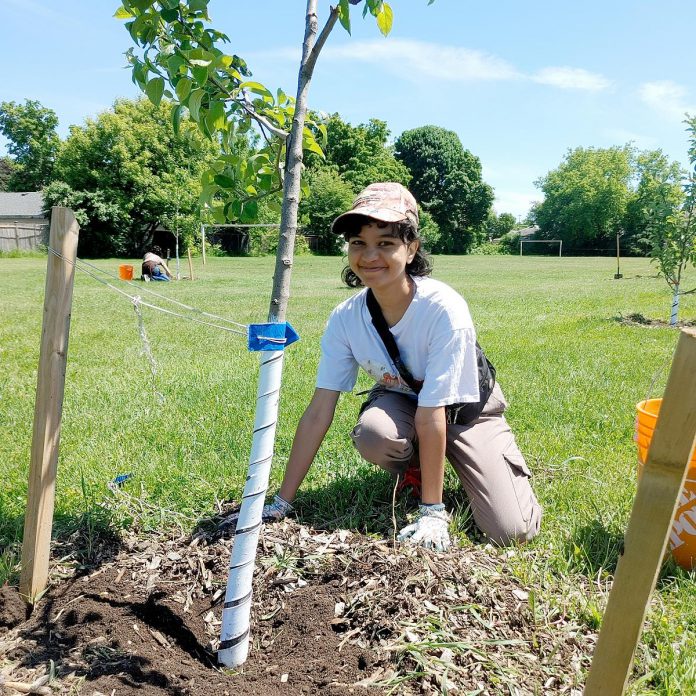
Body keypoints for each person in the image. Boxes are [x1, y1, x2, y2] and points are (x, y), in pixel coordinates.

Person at [261, 182, 542, 552]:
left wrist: (432, 512)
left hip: (469, 411)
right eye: (358, 243)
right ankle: (422, 469)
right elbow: (319, 411)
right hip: (406, 403)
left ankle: (460, 468)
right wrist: (282, 501)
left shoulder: (443, 308)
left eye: (386, 243)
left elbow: (435, 412)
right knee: (374, 434)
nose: (369, 255)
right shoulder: (346, 318)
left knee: (511, 531)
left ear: (411, 249)